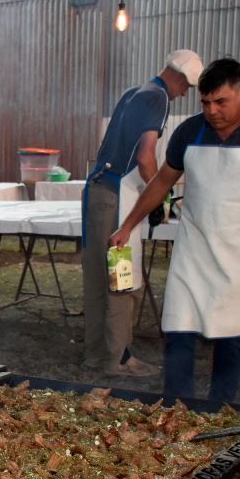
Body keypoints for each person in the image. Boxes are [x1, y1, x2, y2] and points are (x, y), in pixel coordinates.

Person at [109, 58, 240, 407]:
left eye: (221, 102)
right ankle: (177, 407)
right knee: (178, 328)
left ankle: (218, 408)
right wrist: (127, 225)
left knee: (231, 334)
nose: (212, 111)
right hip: (195, 249)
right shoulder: (190, 132)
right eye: (205, 103)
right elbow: (163, 180)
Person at [82, 49, 203, 377]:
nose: (184, 94)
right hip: (120, 198)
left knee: (96, 280)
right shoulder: (159, 98)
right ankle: (119, 359)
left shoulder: (133, 92)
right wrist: (161, 194)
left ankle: (95, 355)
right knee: (122, 281)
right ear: (178, 78)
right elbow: (147, 156)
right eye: (186, 87)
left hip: (98, 191)